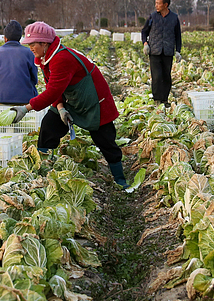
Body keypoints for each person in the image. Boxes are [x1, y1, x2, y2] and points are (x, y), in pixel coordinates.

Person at [8, 22, 130, 189]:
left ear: (44, 43)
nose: (30, 48)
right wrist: (60, 108)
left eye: (33, 44)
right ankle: (43, 168)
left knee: (104, 139)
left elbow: (52, 91)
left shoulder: (61, 58)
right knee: (48, 126)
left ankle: (120, 179)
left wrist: (25, 108)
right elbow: (53, 88)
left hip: (94, 101)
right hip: (71, 99)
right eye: (28, 44)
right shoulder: (44, 59)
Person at [141, 0, 182, 105]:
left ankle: (165, 99)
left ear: (165, 5)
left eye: (158, 3)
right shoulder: (152, 17)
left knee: (166, 76)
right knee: (157, 76)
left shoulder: (174, 18)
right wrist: (145, 43)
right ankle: (157, 99)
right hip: (154, 50)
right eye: (156, 3)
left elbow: (178, 35)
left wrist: (178, 51)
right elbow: (144, 31)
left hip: (168, 51)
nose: (156, 6)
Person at [0, 20, 38, 105]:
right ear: (20, 38)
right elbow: (34, 79)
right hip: (25, 98)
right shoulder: (29, 52)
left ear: (5, 38)